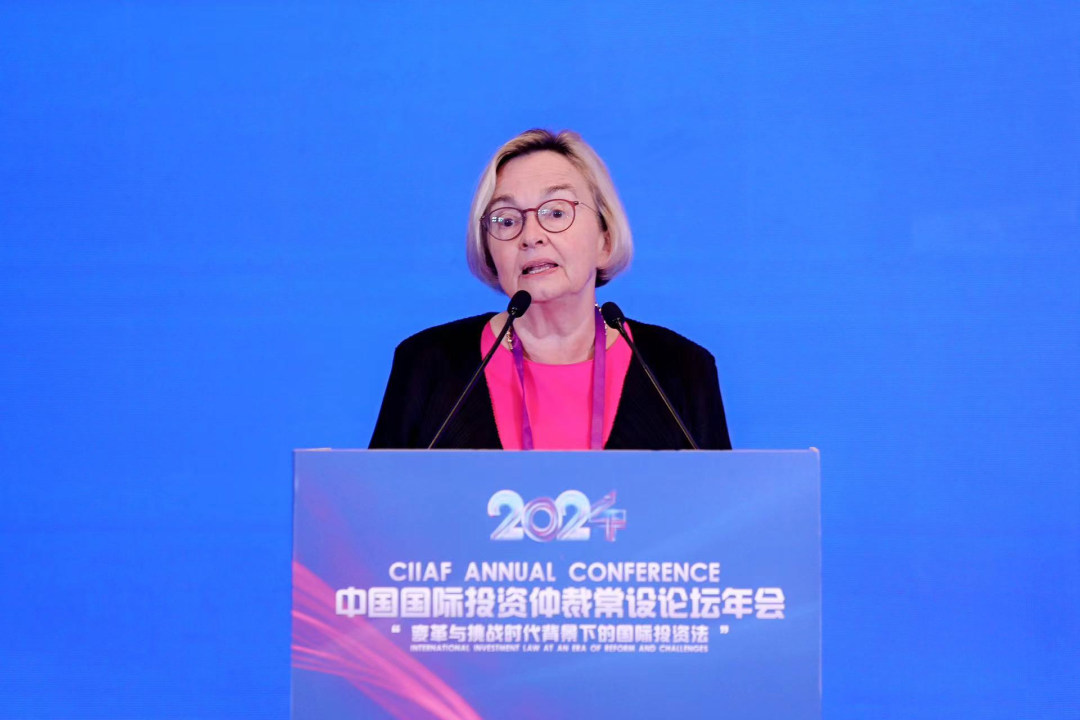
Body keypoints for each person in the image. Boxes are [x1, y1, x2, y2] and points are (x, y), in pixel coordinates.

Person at [369, 129, 731, 450]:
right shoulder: (427, 364)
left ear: (605, 239)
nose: (531, 236)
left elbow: (721, 504)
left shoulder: (681, 370)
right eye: (506, 220)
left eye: (556, 212)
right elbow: (378, 503)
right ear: (490, 252)